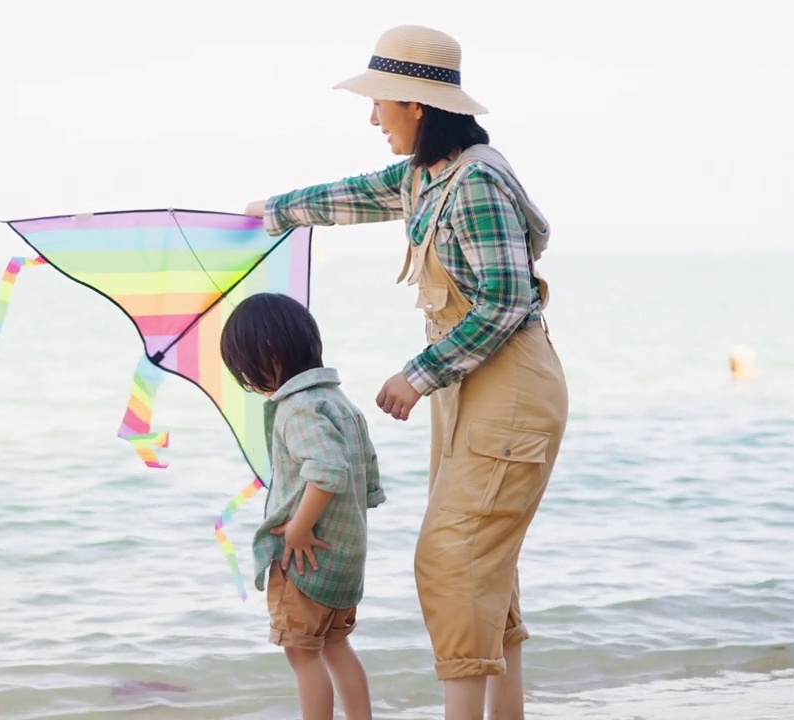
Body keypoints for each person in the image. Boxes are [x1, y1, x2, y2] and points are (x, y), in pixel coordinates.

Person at [243, 24, 568, 720]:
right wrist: (268, 214)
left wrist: (419, 373)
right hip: (474, 389)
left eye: (380, 104)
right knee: (484, 568)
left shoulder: (477, 179)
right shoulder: (427, 174)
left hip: (506, 386)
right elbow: (355, 195)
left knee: (451, 561)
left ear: (415, 105)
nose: (372, 118)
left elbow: (507, 300)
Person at [220, 292, 387, 720]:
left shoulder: (299, 408)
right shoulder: (340, 403)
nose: (249, 381)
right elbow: (367, 480)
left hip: (306, 561)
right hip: (346, 557)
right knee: (335, 645)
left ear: (271, 354)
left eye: (246, 369)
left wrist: (298, 527)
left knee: (302, 653)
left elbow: (327, 471)